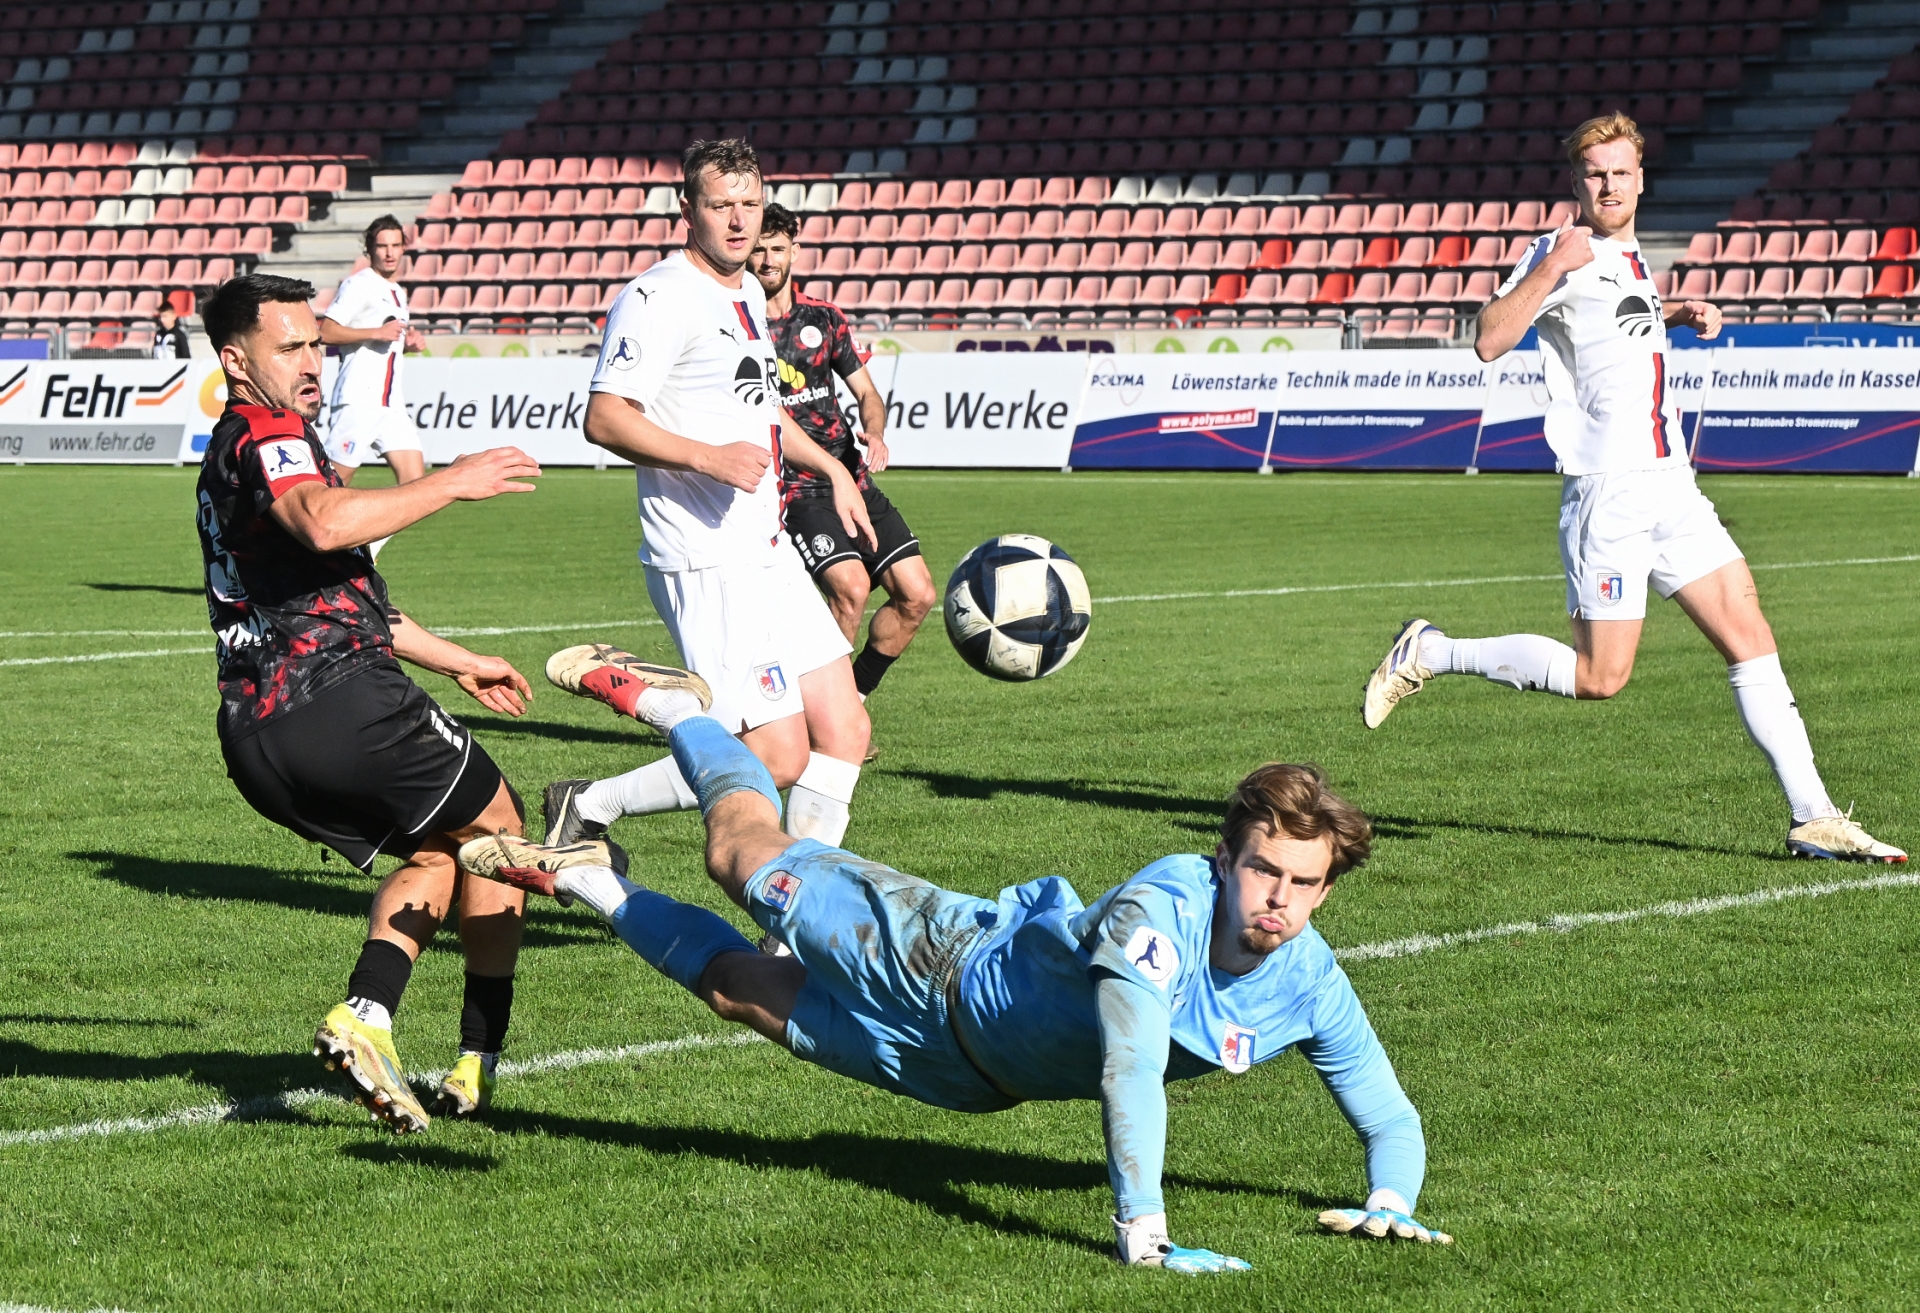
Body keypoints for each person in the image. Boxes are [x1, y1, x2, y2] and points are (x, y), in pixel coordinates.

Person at [463, 650, 1452, 1271]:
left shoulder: (1311, 977)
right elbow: (1129, 1064)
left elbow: (1386, 1106)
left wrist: (1389, 1201)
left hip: (963, 1073)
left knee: (737, 990)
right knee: (738, 856)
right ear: (1224, 857)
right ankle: (679, 710)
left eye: (1304, 881)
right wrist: (1142, 1233)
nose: (1279, 896)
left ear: (1328, 887)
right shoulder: (1167, 900)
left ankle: (590, 876)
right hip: (933, 957)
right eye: (1263, 868)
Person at [1362, 112, 1904, 864]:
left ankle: (1813, 814)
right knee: (1600, 676)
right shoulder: (1561, 249)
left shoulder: (1627, 253)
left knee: (1749, 633)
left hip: (1671, 484)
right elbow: (1488, 338)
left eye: (1620, 172)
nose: (1608, 184)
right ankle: (1432, 650)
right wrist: (1551, 268)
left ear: (1641, 178)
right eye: (1594, 173)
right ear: (1576, 182)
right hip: (1609, 490)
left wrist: (1673, 312)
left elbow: (1613, 329)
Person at [195, 272, 546, 1133]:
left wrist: (462, 660)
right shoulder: (270, 432)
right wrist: (452, 482)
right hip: (336, 701)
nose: (315, 360)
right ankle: (478, 1059)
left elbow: (349, 594)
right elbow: (323, 522)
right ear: (238, 362)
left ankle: (368, 1017)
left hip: (257, 733)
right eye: (293, 346)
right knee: (500, 828)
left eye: (318, 341)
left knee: (438, 854)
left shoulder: (241, 446)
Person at [542, 139, 876, 859]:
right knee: (775, 756)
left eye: (750, 204)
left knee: (846, 730)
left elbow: (763, 409)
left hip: (767, 547)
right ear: (686, 207)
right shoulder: (658, 297)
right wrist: (706, 456)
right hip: (705, 557)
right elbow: (604, 417)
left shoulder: (749, 290)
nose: (739, 221)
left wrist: (834, 469)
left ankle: (795, 927)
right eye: (721, 205)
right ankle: (587, 804)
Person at [748, 202, 936, 732]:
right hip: (796, 487)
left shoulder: (825, 319)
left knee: (917, 594)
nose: (766, 259)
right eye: (759, 249)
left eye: (776, 249)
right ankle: (824, 723)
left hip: (851, 476)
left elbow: (867, 393)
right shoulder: (739, 329)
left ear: (794, 251)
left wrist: (873, 430)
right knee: (850, 589)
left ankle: (851, 700)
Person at [319, 215, 427, 564]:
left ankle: (365, 551)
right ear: (370, 250)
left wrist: (406, 343)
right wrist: (374, 333)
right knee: (333, 487)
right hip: (359, 399)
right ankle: (293, 555)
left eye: (396, 245)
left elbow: (386, 340)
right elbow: (326, 332)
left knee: (416, 484)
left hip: (390, 404)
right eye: (382, 246)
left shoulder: (397, 291)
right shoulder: (359, 284)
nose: (390, 253)